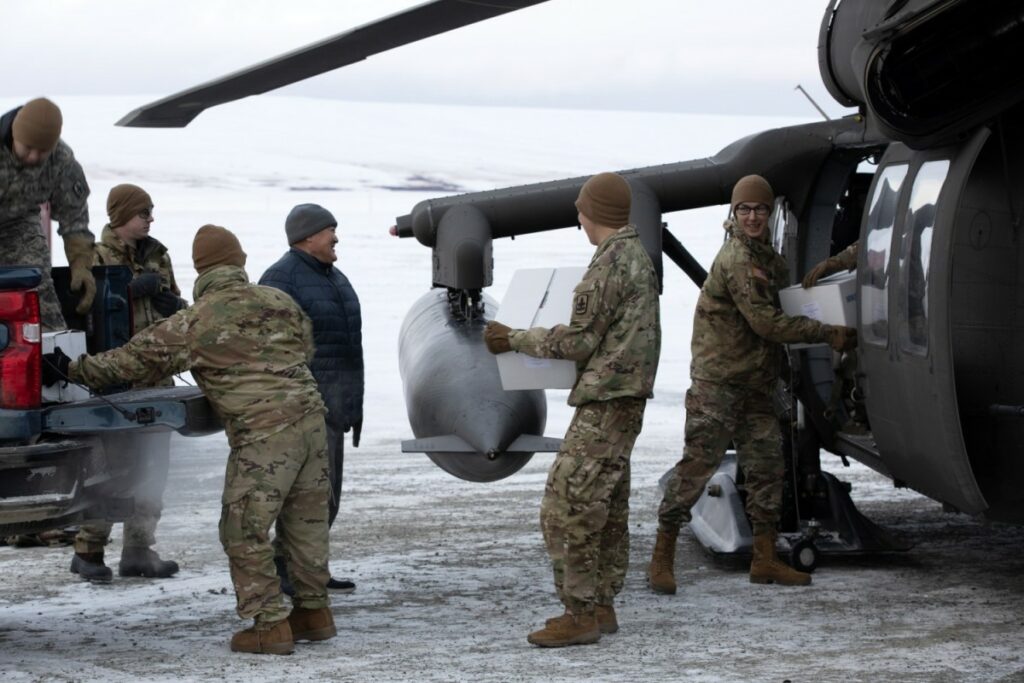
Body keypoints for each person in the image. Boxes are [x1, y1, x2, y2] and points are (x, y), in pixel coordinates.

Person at [43, 225, 335, 655]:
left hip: (264, 435)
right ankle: (313, 612)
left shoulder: (196, 320)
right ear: (239, 261)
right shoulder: (279, 300)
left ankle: (269, 624)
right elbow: (304, 349)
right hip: (312, 422)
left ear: (200, 268)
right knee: (304, 525)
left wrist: (72, 368)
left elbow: (132, 362)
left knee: (243, 529)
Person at [648, 175, 857, 595]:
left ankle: (764, 559)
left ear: (770, 213)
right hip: (718, 386)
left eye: (760, 210)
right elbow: (765, 323)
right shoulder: (738, 260)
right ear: (733, 213)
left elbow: (777, 307)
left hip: (756, 386)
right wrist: (826, 332)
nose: (752, 217)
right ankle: (662, 555)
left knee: (767, 470)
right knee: (695, 470)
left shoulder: (768, 258)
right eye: (744, 210)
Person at [484, 172, 661, 648]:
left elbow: (580, 341)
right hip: (623, 399)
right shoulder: (634, 255)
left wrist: (512, 338)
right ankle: (601, 602)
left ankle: (580, 612)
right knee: (606, 503)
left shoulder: (609, 264)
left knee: (567, 506)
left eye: (582, 209)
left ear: (593, 214)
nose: (578, 217)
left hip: (606, 401)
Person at [69, 184, 187, 583]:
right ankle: (89, 548)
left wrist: (176, 307)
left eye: (151, 212)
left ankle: (140, 547)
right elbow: (79, 312)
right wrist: (123, 291)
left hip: (156, 377)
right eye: (143, 213)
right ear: (120, 216)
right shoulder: (94, 258)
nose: (150, 219)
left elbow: (177, 305)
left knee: (153, 465)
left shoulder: (158, 255)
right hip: (112, 380)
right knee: (110, 467)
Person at [259, 203, 363, 594]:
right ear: (306, 237)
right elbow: (270, 347)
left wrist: (350, 404)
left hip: (332, 406)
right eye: (329, 230)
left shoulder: (333, 277)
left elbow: (346, 346)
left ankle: (303, 568)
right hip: (302, 409)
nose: (336, 237)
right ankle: (291, 571)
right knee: (307, 498)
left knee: (325, 499)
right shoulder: (281, 278)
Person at [0, 97, 95, 329]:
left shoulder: (62, 161)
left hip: (18, 226)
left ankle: (49, 354)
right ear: (14, 135)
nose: (33, 157)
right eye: (28, 148)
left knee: (38, 284)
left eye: (42, 151)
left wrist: (81, 266)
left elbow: (75, 220)